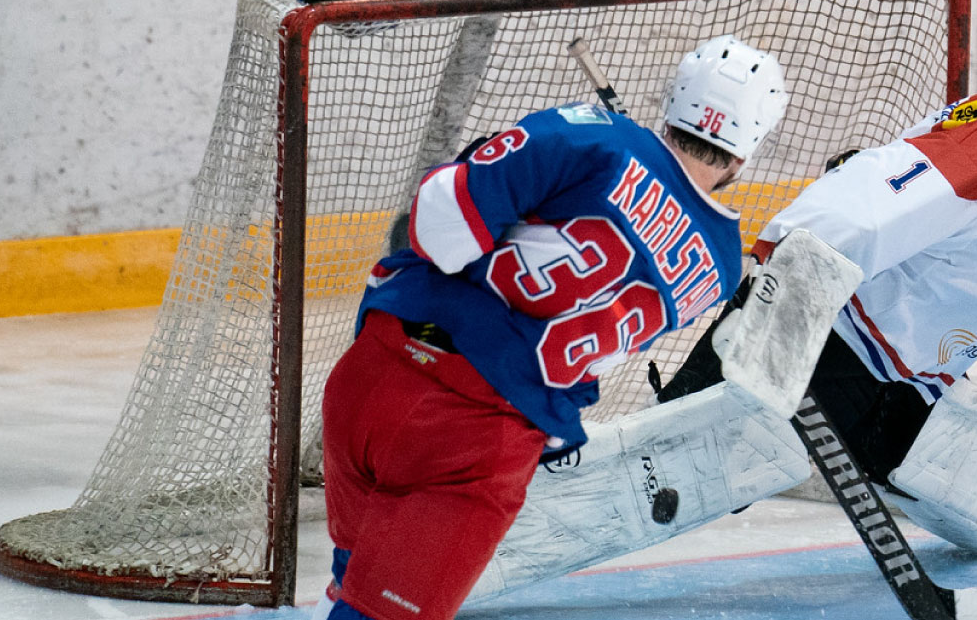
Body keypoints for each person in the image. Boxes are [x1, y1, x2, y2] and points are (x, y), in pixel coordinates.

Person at [315, 34, 789, 620]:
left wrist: (476, 163)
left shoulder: (591, 133)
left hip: (376, 377)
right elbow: (592, 345)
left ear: (672, 105)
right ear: (746, 154)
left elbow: (438, 230)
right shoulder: (718, 263)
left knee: (352, 575)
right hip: (481, 438)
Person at [660, 17, 977, 559]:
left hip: (914, 376)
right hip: (839, 342)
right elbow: (869, 203)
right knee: (705, 461)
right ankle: (641, 459)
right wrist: (778, 262)